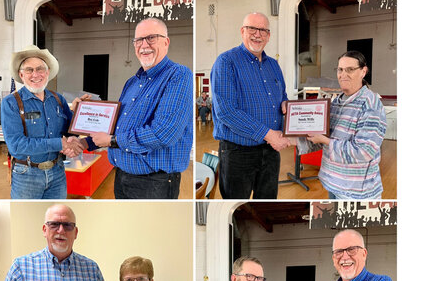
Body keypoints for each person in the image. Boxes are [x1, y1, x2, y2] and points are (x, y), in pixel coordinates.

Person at [86, 18, 193, 199]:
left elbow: (164, 133)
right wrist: (85, 142)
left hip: (154, 184)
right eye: (138, 40)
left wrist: (112, 141)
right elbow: (116, 126)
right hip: (121, 177)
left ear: (166, 42)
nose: (144, 45)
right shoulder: (132, 82)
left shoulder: (179, 75)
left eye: (151, 38)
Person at [210, 12, 291, 199]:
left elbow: (282, 95)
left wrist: (286, 104)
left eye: (263, 30)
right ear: (242, 31)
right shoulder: (226, 62)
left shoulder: (273, 65)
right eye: (252, 29)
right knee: (237, 206)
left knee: (267, 204)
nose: (257, 34)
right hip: (238, 153)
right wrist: (268, 134)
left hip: (270, 152)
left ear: (269, 35)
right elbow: (226, 112)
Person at [295, 51, 388, 199]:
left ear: (363, 71)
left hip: (356, 192)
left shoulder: (371, 105)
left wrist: (324, 140)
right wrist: (291, 138)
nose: (343, 74)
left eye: (350, 69)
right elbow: (322, 138)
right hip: (332, 184)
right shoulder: (335, 103)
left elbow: (363, 152)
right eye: (340, 69)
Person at [1, 45, 89, 199]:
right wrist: (60, 144)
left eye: (40, 69)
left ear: (48, 73)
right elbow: (16, 145)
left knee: (55, 215)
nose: (35, 74)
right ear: (21, 75)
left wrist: (78, 113)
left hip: (57, 173)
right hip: (26, 175)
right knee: (27, 219)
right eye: (29, 70)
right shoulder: (11, 103)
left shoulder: (58, 100)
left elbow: (69, 131)